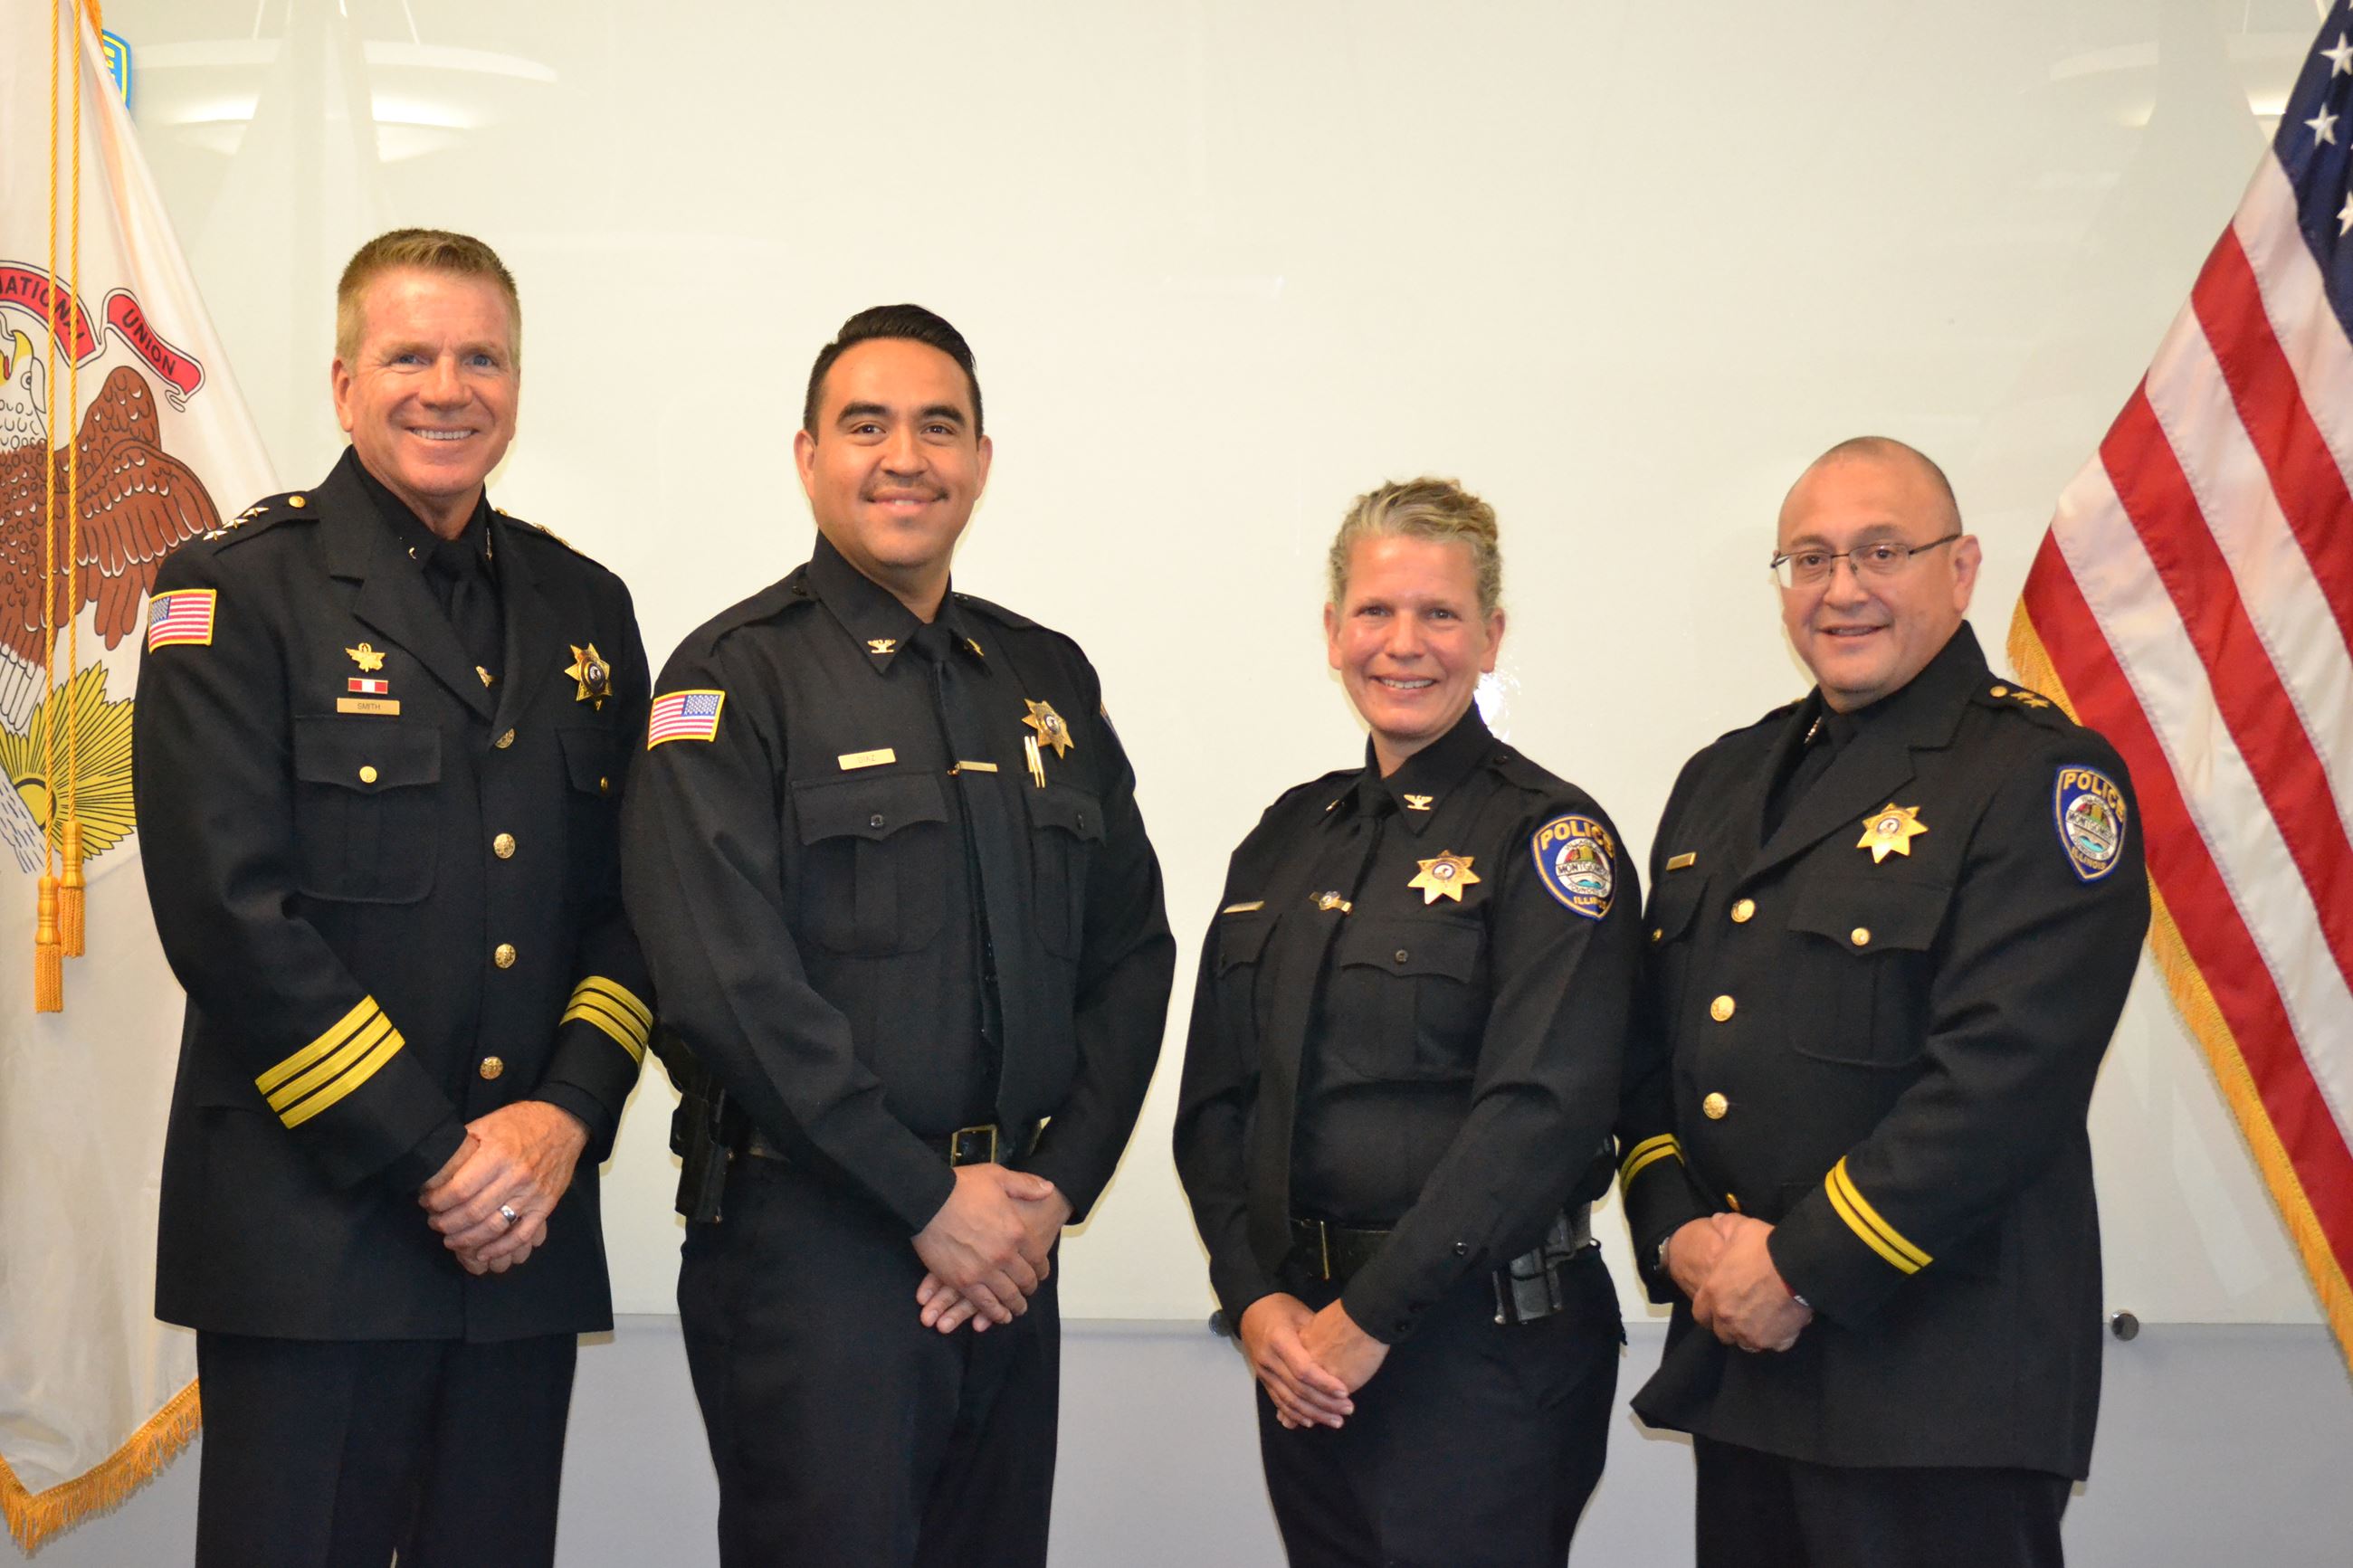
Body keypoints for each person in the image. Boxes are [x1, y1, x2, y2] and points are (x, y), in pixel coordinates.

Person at [620, 303, 1176, 1567]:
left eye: (939, 426)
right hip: (813, 1252)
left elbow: (1131, 954)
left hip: (1008, 1249)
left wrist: (1051, 1195)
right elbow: (723, 986)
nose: (905, 457)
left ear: (981, 460)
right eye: (866, 426)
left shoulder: (1045, 680)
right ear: (808, 455)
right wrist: (928, 1200)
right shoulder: (731, 680)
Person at [132, 228, 653, 1567]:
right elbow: (228, 920)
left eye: (482, 356)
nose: (448, 386)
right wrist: (441, 1156)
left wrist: (562, 1120)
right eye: (409, 354)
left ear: (518, 385)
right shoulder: (232, 592)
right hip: (314, 1238)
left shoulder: (588, 608)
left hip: (520, 1240)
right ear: (344, 382)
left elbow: (637, 907)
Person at [1615, 438, 2150, 1568]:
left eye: (1878, 551)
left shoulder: (2039, 777)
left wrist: (1799, 1265)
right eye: (1807, 558)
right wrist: (1680, 1240)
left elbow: (2006, 1077)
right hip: (1750, 1369)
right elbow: (1648, 1051)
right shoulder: (1723, 778)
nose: (1840, 587)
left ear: (1959, 570)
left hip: (1935, 1386)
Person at [1172, 478, 1636, 1567]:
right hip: (1303, 1348)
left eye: (1438, 613)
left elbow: (1540, 1116)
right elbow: (1215, 1106)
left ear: (1490, 636)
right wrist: (1255, 1303)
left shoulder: (1550, 838)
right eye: (1375, 611)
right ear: (1332, 632)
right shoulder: (1287, 837)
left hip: (1478, 1352)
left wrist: (1365, 1318)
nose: (1403, 643)